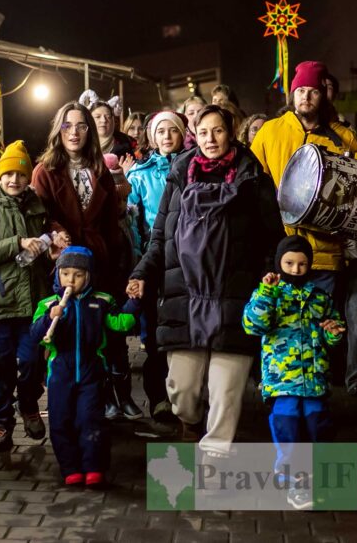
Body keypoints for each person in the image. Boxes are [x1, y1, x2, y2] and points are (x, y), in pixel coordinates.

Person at [127, 105, 284, 453]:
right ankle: (190, 422)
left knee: (226, 393)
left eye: (218, 131)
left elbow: (273, 237)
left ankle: (213, 459)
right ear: (193, 136)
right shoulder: (181, 174)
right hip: (185, 298)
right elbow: (160, 236)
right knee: (182, 392)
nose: (210, 139)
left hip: (234, 298)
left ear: (231, 133)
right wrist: (142, 274)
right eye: (203, 132)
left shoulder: (252, 177)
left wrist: (271, 271)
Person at [31, 102, 141, 421]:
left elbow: (110, 221)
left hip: (101, 260)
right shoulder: (46, 170)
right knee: (73, 331)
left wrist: (115, 257)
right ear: (59, 130)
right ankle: (85, 396)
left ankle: (121, 394)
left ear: (90, 131)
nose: (75, 132)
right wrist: (56, 232)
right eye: (68, 126)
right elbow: (39, 216)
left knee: (108, 328)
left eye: (81, 126)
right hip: (64, 265)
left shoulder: (99, 168)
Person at [250, 61, 357, 295]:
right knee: (286, 329)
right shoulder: (270, 131)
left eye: (314, 91)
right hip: (282, 255)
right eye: (301, 91)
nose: (306, 96)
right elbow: (253, 185)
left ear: (323, 95)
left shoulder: (344, 138)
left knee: (324, 327)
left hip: (325, 257)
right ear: (292, 95)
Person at [241, 235, 345, 510]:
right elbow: (253, 325)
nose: (296, 269)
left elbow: (333, 333)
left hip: (313, 378)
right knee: (287, 421)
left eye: (302, 264)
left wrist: (333, 334)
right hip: (281, 379)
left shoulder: (320, 297)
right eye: (289, 263)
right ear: (278, 263)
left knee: (316, 421)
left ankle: (314, 472)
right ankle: (297, 480)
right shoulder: (269, 292)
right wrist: (266, 294)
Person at [0, 141, 52, 452]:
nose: (14, 180)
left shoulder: (37, 207)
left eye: (20, 174)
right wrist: (16, 243)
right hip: (0, 304)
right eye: (8, 174)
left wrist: (51, 246)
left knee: (32, 362)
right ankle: (0, 423)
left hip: (32, 304)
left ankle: (28, 404)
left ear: (28, 177)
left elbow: (41, 250)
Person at [31, 246, 137, 487]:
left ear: (88, 276)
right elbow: (35, 335)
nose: (71, 280)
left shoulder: (101, 301)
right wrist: (50, 318)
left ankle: (93, 466)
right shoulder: (48, 303)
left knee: (90, 419)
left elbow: (120, 323)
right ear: (57, 274)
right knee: (60, 420)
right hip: (60, 373)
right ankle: (70, 467)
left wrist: (134, 304)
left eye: (78, 275)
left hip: (92, 372)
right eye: (65, 273)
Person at [126, 111, 186, 421]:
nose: (166, 136)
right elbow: (132, 223)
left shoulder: (193, 168)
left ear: (182, 134)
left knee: (182, 331)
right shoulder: (138, 174)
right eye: (160, 131)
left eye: (172, 130)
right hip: (152, 262)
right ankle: (159, 398)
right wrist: (140, 265)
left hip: (184, 263)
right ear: (152, 137)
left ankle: (186, 396)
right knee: (154, 334)